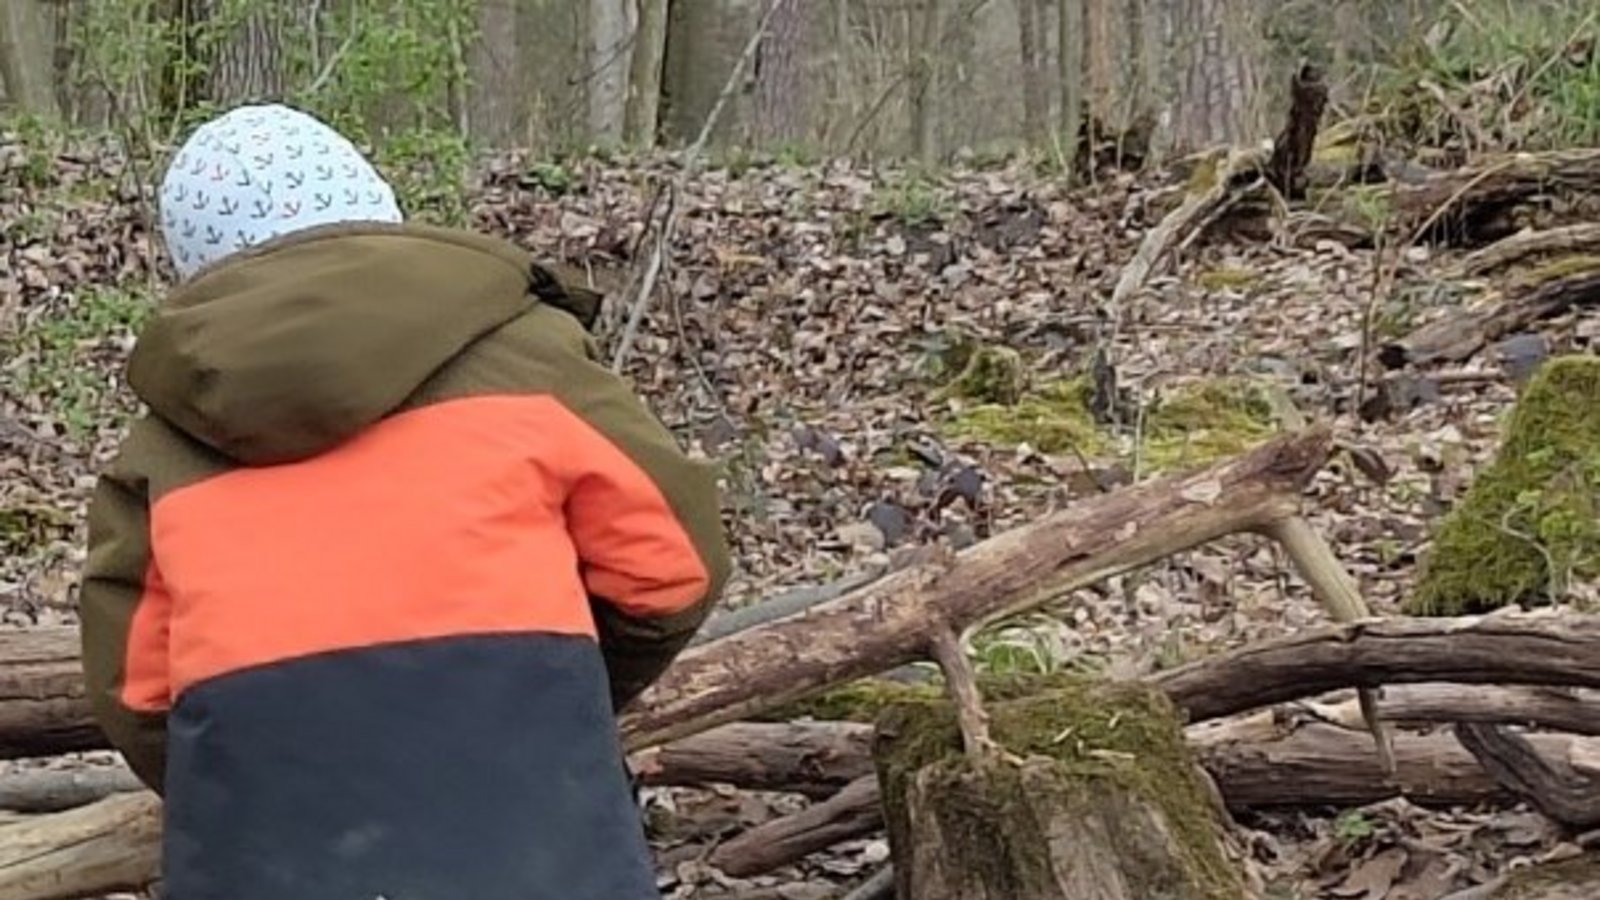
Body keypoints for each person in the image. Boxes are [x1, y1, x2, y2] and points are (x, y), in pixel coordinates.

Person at [76, 103, 730, 900]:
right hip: (539, 848)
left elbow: (138, 693)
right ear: (376, 202)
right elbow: (673, 568)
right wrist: (558, 690)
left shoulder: (162, 450)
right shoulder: (531, 360)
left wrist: (248, 777)